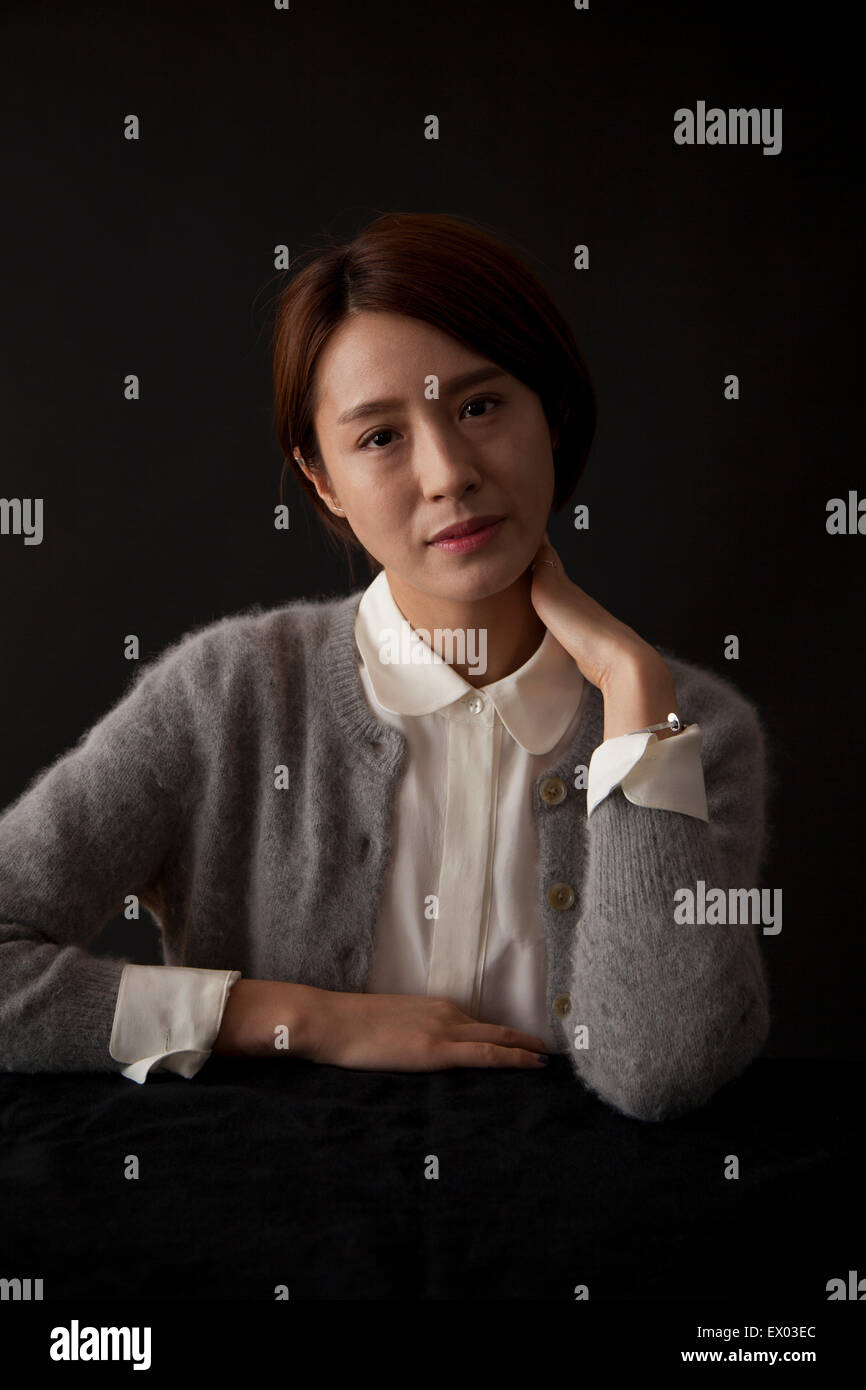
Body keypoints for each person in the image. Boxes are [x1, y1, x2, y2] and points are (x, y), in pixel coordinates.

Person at [0, 211, 772, 1121]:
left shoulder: (697, 729)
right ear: (322, 480)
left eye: (480, 407)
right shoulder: (225, 696)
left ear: (552, 417)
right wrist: (298, 1017)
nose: (448, 472)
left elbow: (665, 1070)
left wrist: (637, 699)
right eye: (379, 436)